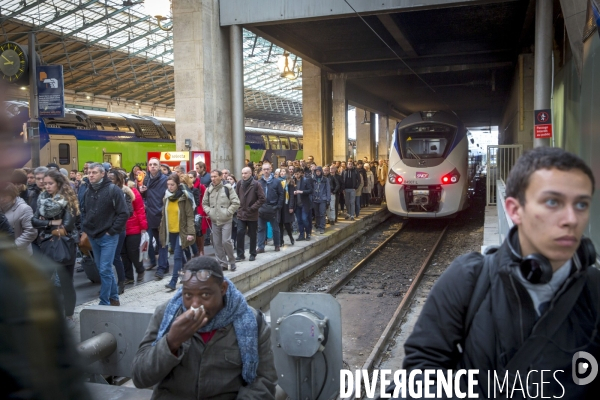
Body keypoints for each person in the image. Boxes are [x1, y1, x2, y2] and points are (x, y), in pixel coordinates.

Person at [401, 147, 600, 398]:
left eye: (581, 204)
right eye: (553, 202)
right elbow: (421, 374)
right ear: (514, 210)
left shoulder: (594, 291)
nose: (571, 218)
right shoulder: (469, 279)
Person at [131, 257, 277, 398]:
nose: (195, 304)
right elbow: (140, 377)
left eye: (205, 294)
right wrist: (171, 342)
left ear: (223, 289)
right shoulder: (165, 315)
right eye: (188, 294)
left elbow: (264, 381)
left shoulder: (252, 322)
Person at [32, 169, 80, 327]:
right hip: (46, 244)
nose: (46, 186)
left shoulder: (68, 200)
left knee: (66, 282)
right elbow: (33, 221)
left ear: (59, 183)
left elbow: (67, 226)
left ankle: (69, 316)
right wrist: (51, 223)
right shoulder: (42, 199)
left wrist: (45, 224)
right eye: (45, 184)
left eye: (50, 183)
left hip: (64, 244)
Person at [82, 163, 129, 306]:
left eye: (94, 172)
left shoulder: (113, 190)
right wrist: (86, 227)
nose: (90, 175)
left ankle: (104, 302)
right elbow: (84, 211)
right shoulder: (87, 191)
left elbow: (124, 213)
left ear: (103, 174)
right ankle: (114, 297)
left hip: (108, 236)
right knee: (103, 269)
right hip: (93, 235)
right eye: (89, 172)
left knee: (104, 269)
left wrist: (112, 231)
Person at [159, 174, 196, 290]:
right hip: (171, 231)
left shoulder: (184, 198)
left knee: (177, 257)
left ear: (178, 185)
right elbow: (164, 216)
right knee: (180, 257)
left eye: (172, 185)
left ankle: (173, 282)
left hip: (182, 231)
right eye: (168, 185)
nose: (170, 187)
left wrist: (190, 232)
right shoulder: (166, 197)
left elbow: (190, 216)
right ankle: (187, 275)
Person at [203, 170, 240, 271]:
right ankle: (223, 262)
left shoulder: (227, 188)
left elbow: (236, 202)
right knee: (216, 242)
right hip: (214, 220)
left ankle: (232, 261)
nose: (213, 179)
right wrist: (210, 212)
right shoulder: (209, 189)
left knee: (226, 241)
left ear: (220, 177)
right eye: (211, 177)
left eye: (215, 176)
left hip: (226, 219)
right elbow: (204, 203)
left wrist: (228, 212)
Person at [140, 157, 169, 277]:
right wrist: (142, 192)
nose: (152, 166)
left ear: (159, 166)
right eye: (150, 164)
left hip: (162, 215)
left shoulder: (165, 180)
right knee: (152, 241)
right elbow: (146, 197)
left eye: (155, 164)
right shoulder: (146, 179)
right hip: (150, 215)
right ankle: (162, 265)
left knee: (162, 243)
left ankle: (161, 268)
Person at [107, 169, 132, 294]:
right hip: (105, 229)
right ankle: (108, 284)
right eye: (108, 178)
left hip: (118, 229)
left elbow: (128, 211)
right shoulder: (104, 191)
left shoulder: (124, 192)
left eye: (112, 178)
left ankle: (121, 282)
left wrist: (115, 219)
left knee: (116, 256)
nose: (109, 180)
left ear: (117, 179)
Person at [235, 167, 265, 262]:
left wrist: (253, 207)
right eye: (242, 173)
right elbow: (236, 196)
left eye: (246, 173)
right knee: (240, 233)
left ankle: (252, 253)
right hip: (241, 213)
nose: (243, 175)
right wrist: (238, 207)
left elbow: (262, 199)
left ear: (250, 173)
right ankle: (240, 254)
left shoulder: (256, 184)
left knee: (252, 234)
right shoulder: (239, 183)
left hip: (252, 214)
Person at [122, 179, 148, 285]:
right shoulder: (113, 191)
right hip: (120, 227)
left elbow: (140, 209)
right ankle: (129, 276)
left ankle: (140, 269)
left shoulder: (132, 191)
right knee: (123, 253)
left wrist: (143, 226)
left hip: (133, 226)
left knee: (133, 251)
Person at [0, 182, 37, 255]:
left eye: (5, 196)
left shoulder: (24, 209)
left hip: (19, 253)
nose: (1, 199)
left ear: (13, 195)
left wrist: (14, 245)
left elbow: (31, 232)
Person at [257, 162, 284, 253]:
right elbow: (256, 195)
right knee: (261, 228)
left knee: (275, 228)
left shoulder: (276, 181)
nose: (266, 171)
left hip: (273, 208)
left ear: (271, 169)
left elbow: (281, 194)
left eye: (267, 169)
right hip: (262, 209)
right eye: (264, 169)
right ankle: (260, 247)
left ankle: (277, 244)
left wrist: (278, 206)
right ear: (262, 170)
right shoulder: (259, 182)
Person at [293, 167, 314, 241]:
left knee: (305, 219)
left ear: (300, 173)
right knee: (299, 220)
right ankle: (301, 234)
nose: (296, 175)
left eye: (297, 174)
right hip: (297, 204)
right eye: (295, 174)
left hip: (305, 203)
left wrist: (301, 191)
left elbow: (310, 190)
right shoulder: (294, 181)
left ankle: (308, 233)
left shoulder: (305, 180)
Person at [278, 169, 295, 246]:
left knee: (287, 223)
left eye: (284, 171)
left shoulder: (289, 182)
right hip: (279, 205)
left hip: (286, 205)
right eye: (281, 172)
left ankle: (291, 237)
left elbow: (291, 195)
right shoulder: (277, 181)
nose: (282, 173)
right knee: (279, 223)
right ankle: (281, 240)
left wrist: (291, 206)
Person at [312, 166, 330, 234]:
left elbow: (328, 189)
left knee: (322, 213)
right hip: (315, 199)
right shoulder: (313, 179)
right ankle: (318, 225)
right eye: (316, 171)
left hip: (323, 199)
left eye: (319, 171)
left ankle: (322, 227)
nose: (318, 173)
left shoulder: (325, 179)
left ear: (321, 172)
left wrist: (328, 199)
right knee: (317, 214)